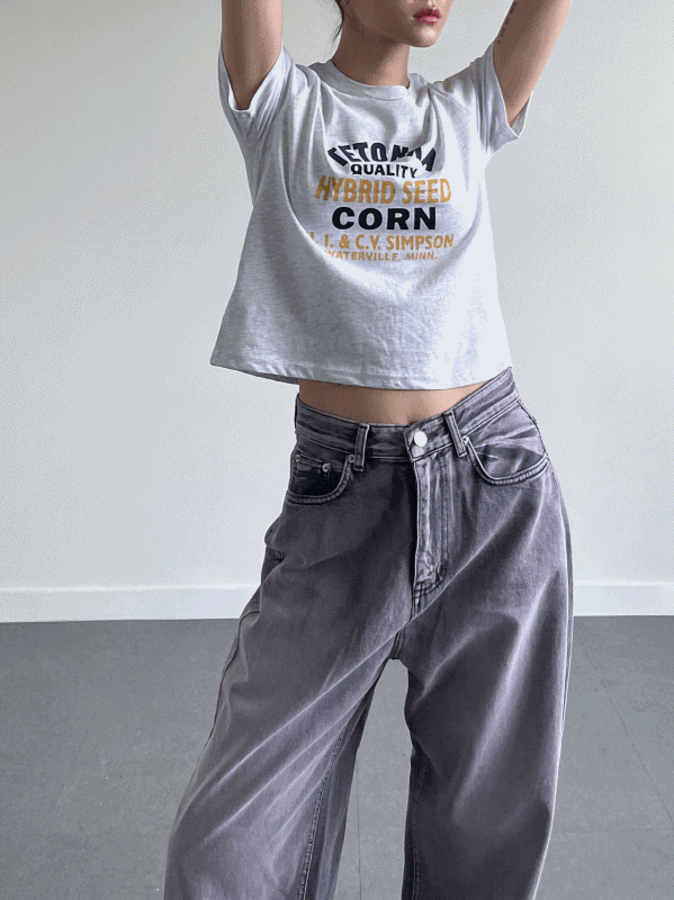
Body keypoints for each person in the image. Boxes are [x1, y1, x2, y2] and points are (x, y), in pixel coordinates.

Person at [163, 1, 576, 898]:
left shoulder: (467, 109)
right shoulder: (281, 105)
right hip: (342, 496)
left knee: (485, 826)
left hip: (494, 486)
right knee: (226, 847)